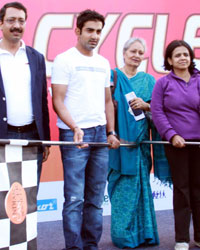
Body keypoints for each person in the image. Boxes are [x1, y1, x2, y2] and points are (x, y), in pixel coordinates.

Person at [51, 9, 120, 250]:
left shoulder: (103, 62)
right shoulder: (64, 59)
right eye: (90, 30)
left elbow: (107, 102)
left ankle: (91, 245)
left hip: (101, 134)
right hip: (73, 135)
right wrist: (74, 127)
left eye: (98, 31)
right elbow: (57, 100)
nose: (94, 36)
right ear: (78, 31)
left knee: (95, 198)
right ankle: (74, 247)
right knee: (74, 198)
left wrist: (111, 132)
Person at [107, 37, 160, 249]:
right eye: (133, 51)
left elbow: (159, 111)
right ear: (124, 52)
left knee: (141, 189)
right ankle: (123, 236)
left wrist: (146, 106)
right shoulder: (112, 76)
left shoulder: (149, 81)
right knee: (121, 189)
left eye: (140, 52)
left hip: (141, 145)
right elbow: (104, 106)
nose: (136, 56)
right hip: (119, 144)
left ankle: (144, 234)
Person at [151, 40, 200, 250]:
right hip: (176, 144)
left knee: (199, 190)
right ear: (170, 60)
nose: (183, 58)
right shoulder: (163, 83)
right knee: (182, 190)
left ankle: (198, 236)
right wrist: (172, 135)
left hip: (199, 143)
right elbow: (157, 111)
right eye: (178, 55)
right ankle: (182, 239)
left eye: (186, 54)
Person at [0, 2, 50, 184]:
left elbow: (42, 100)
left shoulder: (36, 57)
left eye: (21, 21)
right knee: (2, 194)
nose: (17, 26)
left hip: (32, 137)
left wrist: (45, 140)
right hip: (2, 136)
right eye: (11, 20)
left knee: (28, 194)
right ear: (1, 23)